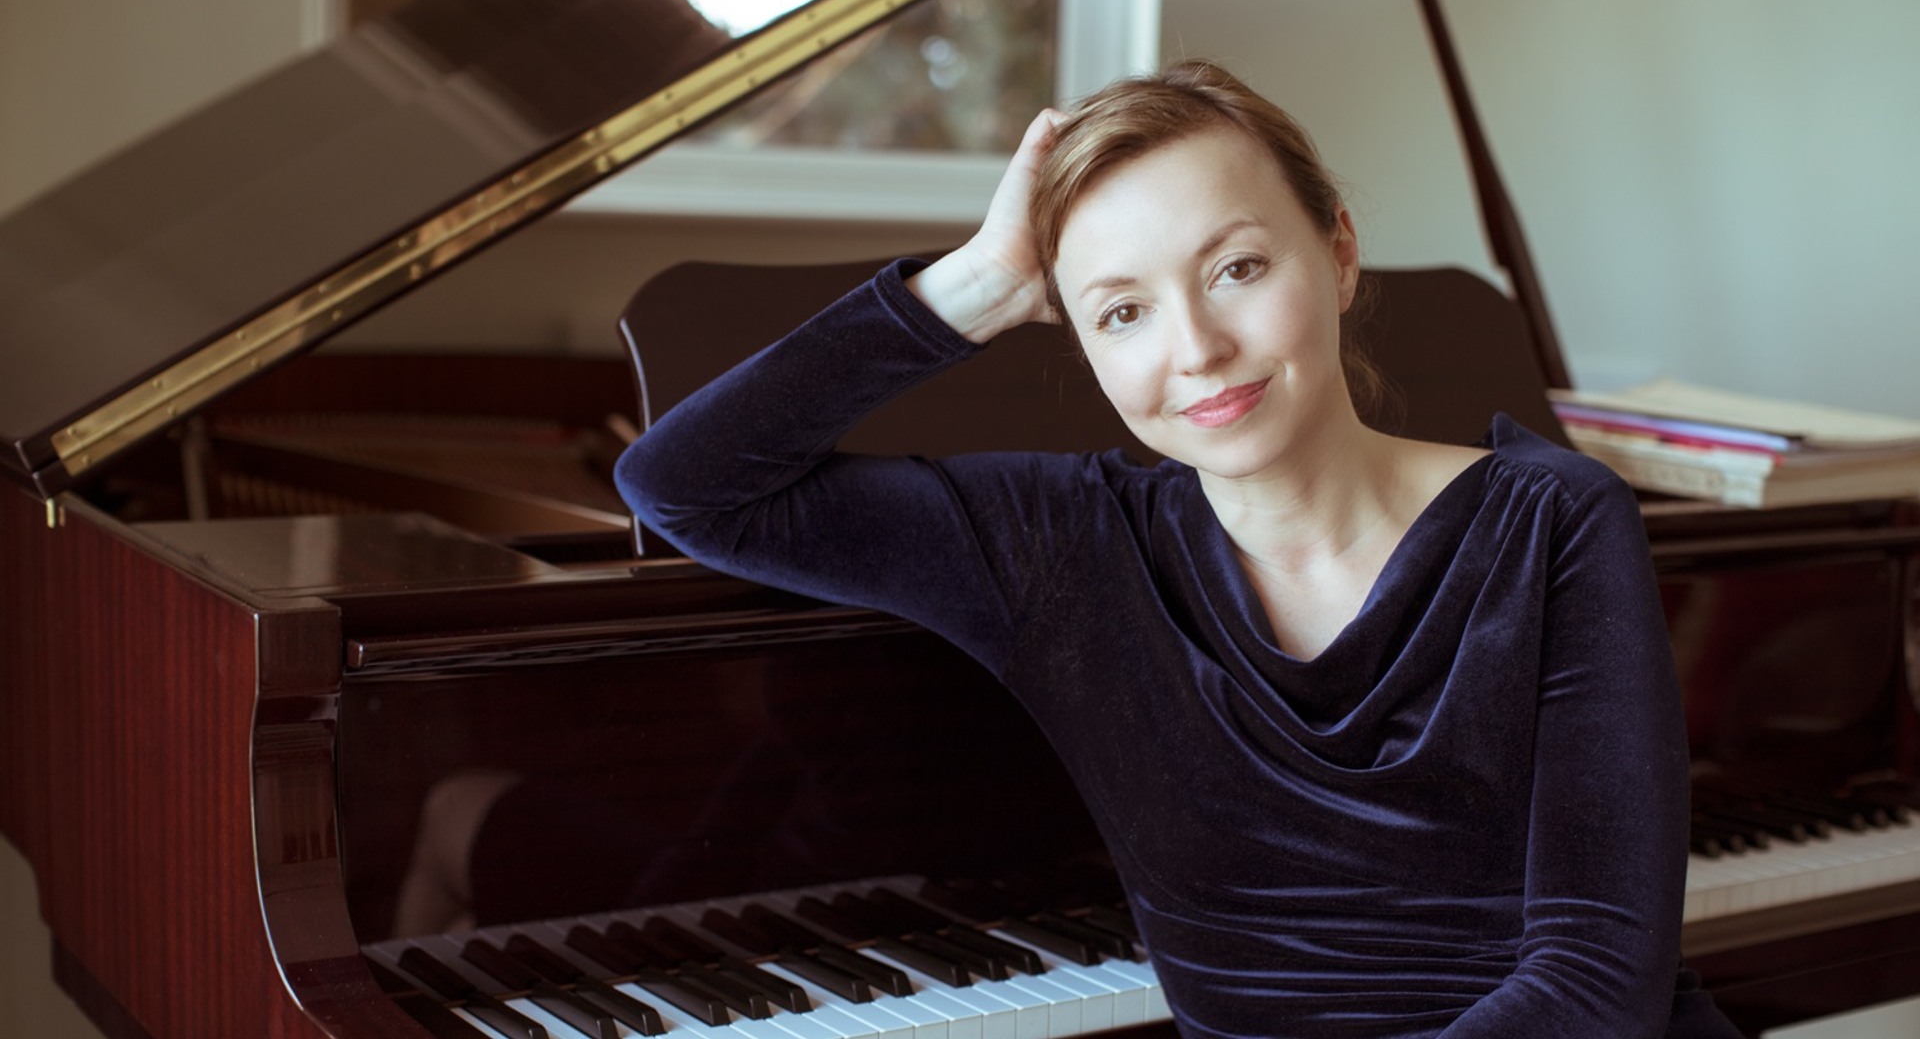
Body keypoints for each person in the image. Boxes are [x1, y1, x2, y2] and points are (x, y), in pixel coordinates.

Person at [615, 60, 1739, 1038]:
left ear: (1338, 256)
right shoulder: (1061, 548)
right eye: (1121, 312)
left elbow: (1597, 983)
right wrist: (978, 284)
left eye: (1237, 269)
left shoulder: (1555, 519)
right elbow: (684, 490)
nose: (1197, 348)